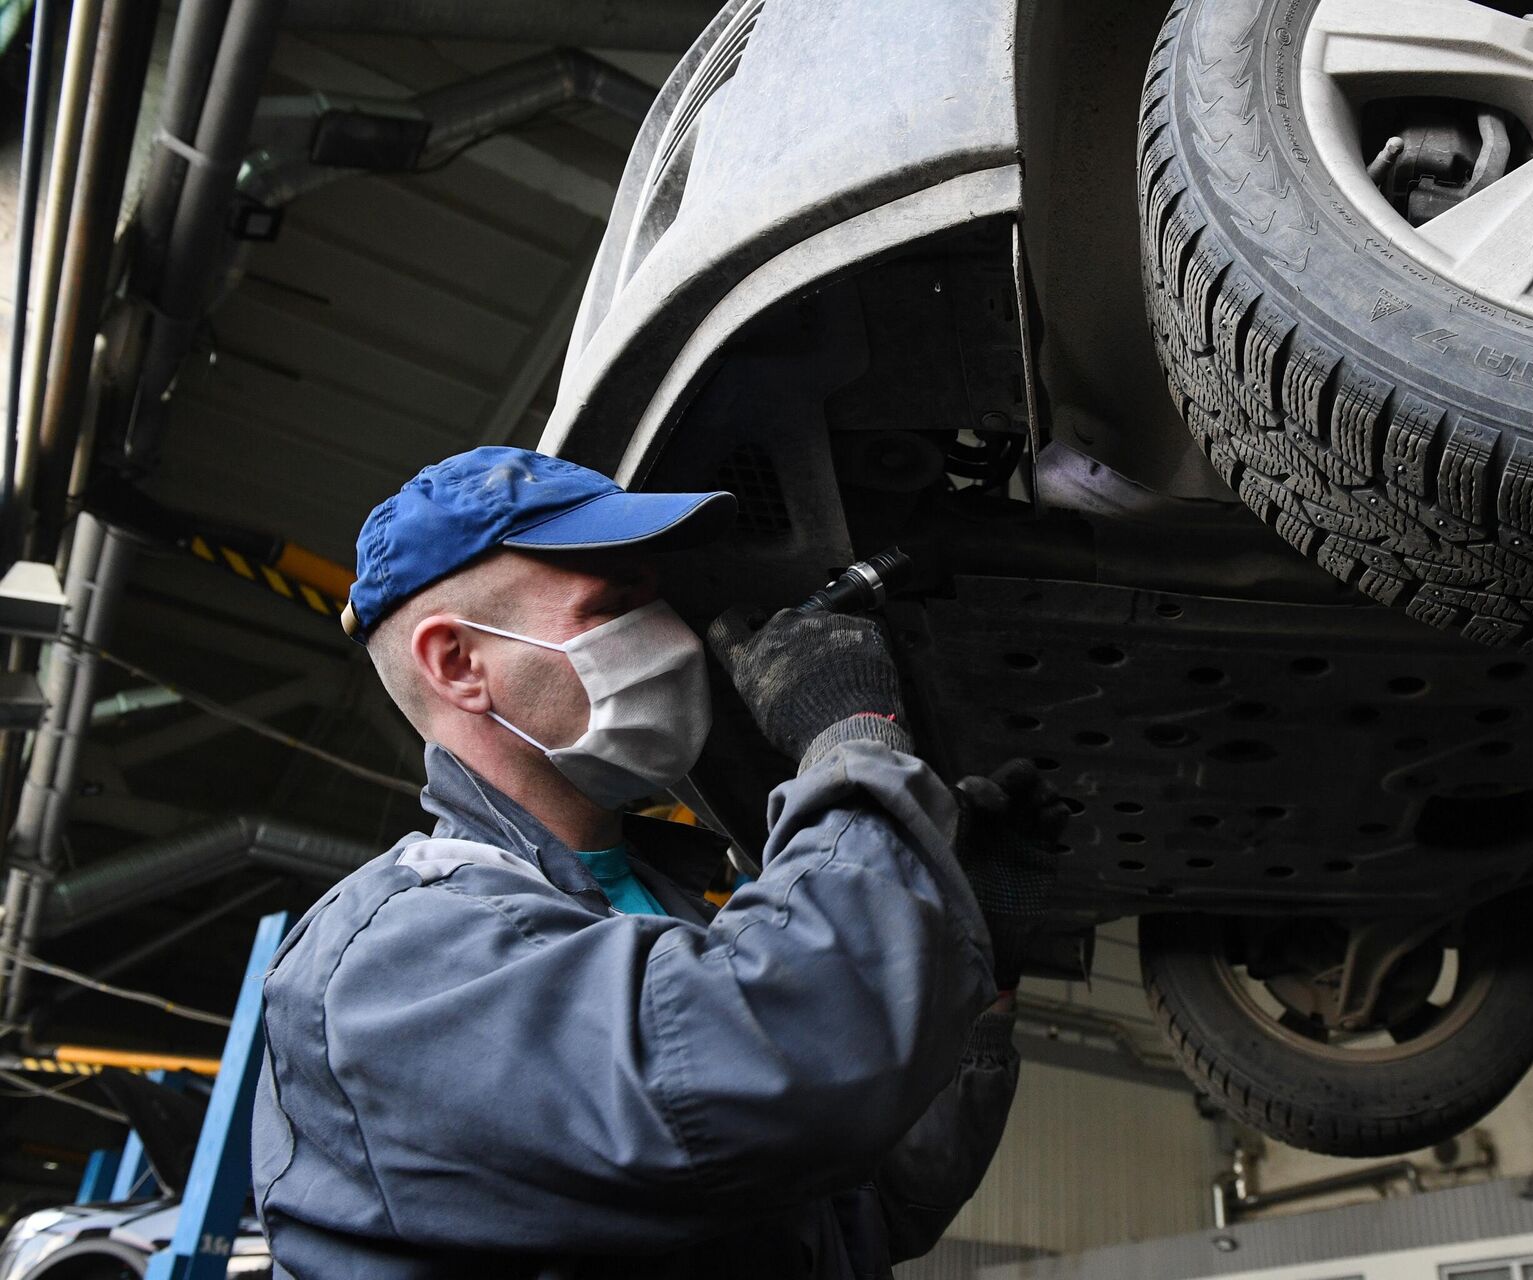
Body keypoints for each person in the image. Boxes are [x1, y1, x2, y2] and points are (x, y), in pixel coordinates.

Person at [250, 446, 1061, 1279]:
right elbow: (791, 1081)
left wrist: (982, 979)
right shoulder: (396, 958)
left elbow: (867, 1208)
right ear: (459, 664)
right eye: (613, 608)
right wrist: (850, 738)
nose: (669, 637)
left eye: (657, 599)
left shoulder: (674, 917)